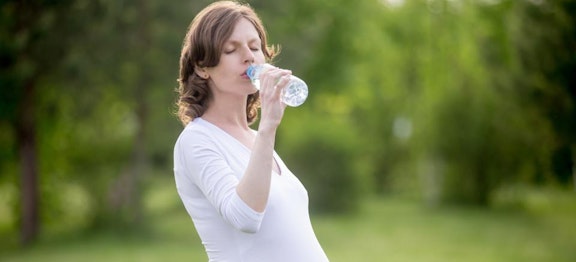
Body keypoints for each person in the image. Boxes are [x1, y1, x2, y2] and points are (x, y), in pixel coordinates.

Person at [173, 1, 329, 261]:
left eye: (255, 47)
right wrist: (269, 126)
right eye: (231, 49)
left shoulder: (255, 139)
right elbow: (245, 217)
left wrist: (265, 132)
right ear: (202, 66)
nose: (249, 56)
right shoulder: (196, 140)